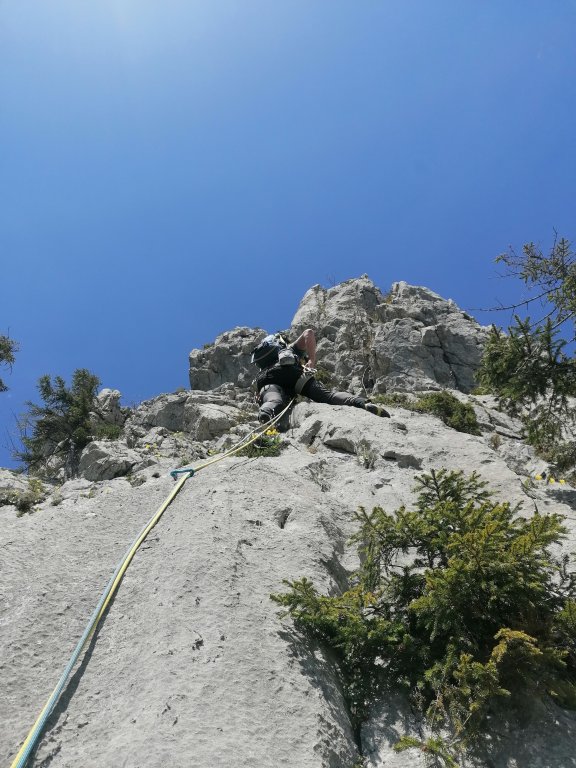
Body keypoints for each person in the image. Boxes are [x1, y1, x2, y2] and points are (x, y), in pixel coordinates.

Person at [252, 328, 390, 427]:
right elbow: (309, 332)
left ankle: (267, 412)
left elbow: (260, 388)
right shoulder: (289, 349)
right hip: (294, 375)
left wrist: (260, 395)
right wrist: (311, 360)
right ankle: (361, 403)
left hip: (267, 379)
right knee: (328, 397)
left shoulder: (264, 366)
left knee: (273, 399)